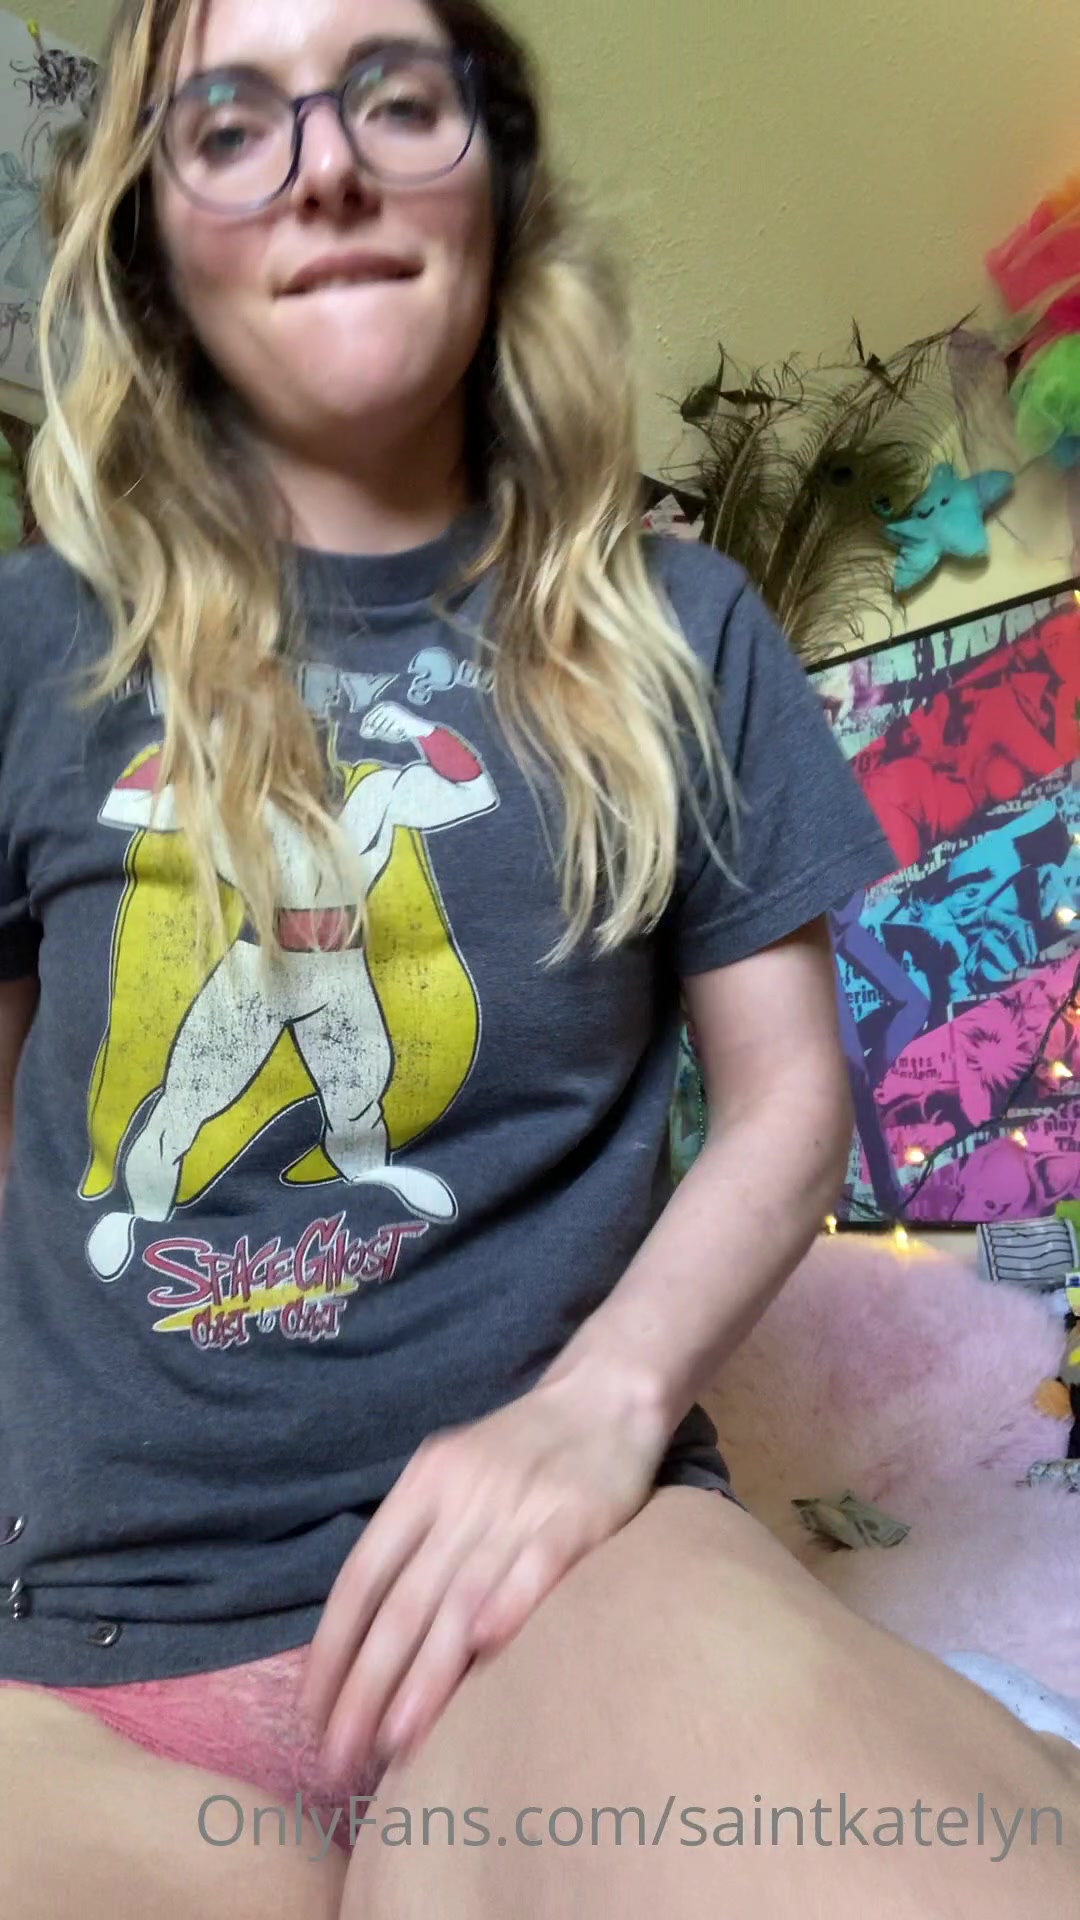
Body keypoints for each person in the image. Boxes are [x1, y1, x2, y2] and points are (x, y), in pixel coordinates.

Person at [0, 2, 1076, 1916]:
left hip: (566, 1585)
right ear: (152, 236)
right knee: (179, 1114)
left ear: (493, 174)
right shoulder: (34, 646)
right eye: (229, 124)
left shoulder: (681, 626)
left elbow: (789, 1100)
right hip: (75, 1652)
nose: (326, 167)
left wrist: (601, 1413)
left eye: (394, 99)